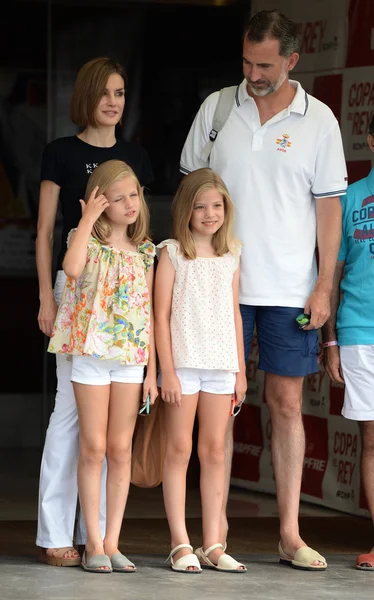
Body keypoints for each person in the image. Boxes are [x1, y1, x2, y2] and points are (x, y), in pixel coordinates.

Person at [180, 9, 347, 570]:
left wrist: (324, 287)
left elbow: (330, 211)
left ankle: (291, 534)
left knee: (286, 402)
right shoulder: (217, 109)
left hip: (288, 288)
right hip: (214, 284)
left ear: (292, 60)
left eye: (266, 65)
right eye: (247, 62)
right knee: (216, 407)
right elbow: (190, 194)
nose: (253, 73)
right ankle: (216, 531)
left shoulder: (319, 121)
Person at [36, 57, 154, 566]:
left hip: (122, 296)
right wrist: (46, 295)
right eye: (104, 92)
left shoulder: (134, 156)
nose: (113, 101)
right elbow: (45, 231)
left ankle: (99, 537)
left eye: (121, 92)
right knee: (72, 419)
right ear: (86, 96)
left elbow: (142, 232)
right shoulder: (61, 152)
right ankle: (55, 533)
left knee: (111, 435)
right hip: (77, 286)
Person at [48, 159, 157, 572]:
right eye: (118, 197)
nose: (130, 203)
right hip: (91, 354)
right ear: (100, 201)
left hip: (129, 359)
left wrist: (151, 370)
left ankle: (112, 541)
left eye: (134, 195)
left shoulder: (145, 250)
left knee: (120, 449)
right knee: (92, 447)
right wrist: (87, 217)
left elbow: (147, 312)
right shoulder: (84, 240)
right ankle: (92, 541)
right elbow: (71, 269)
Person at [154, 168, 247, 573]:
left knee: (214, 451)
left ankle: (213, 541)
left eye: (217, 206)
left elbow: (235, 315)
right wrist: (167, 372)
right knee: (178, 450)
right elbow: (159, 315)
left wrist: (241, 371)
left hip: (221, 365)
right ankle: (179, 542)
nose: (210, 214)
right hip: (184, 365)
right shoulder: (172, 251)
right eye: (200, 206)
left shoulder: (232, 253)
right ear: (185, 210)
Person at [323, 116, 374, 571]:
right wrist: (331, 340)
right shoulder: (350, 197)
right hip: (359, 332)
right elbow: (332, 276)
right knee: (373, 440)